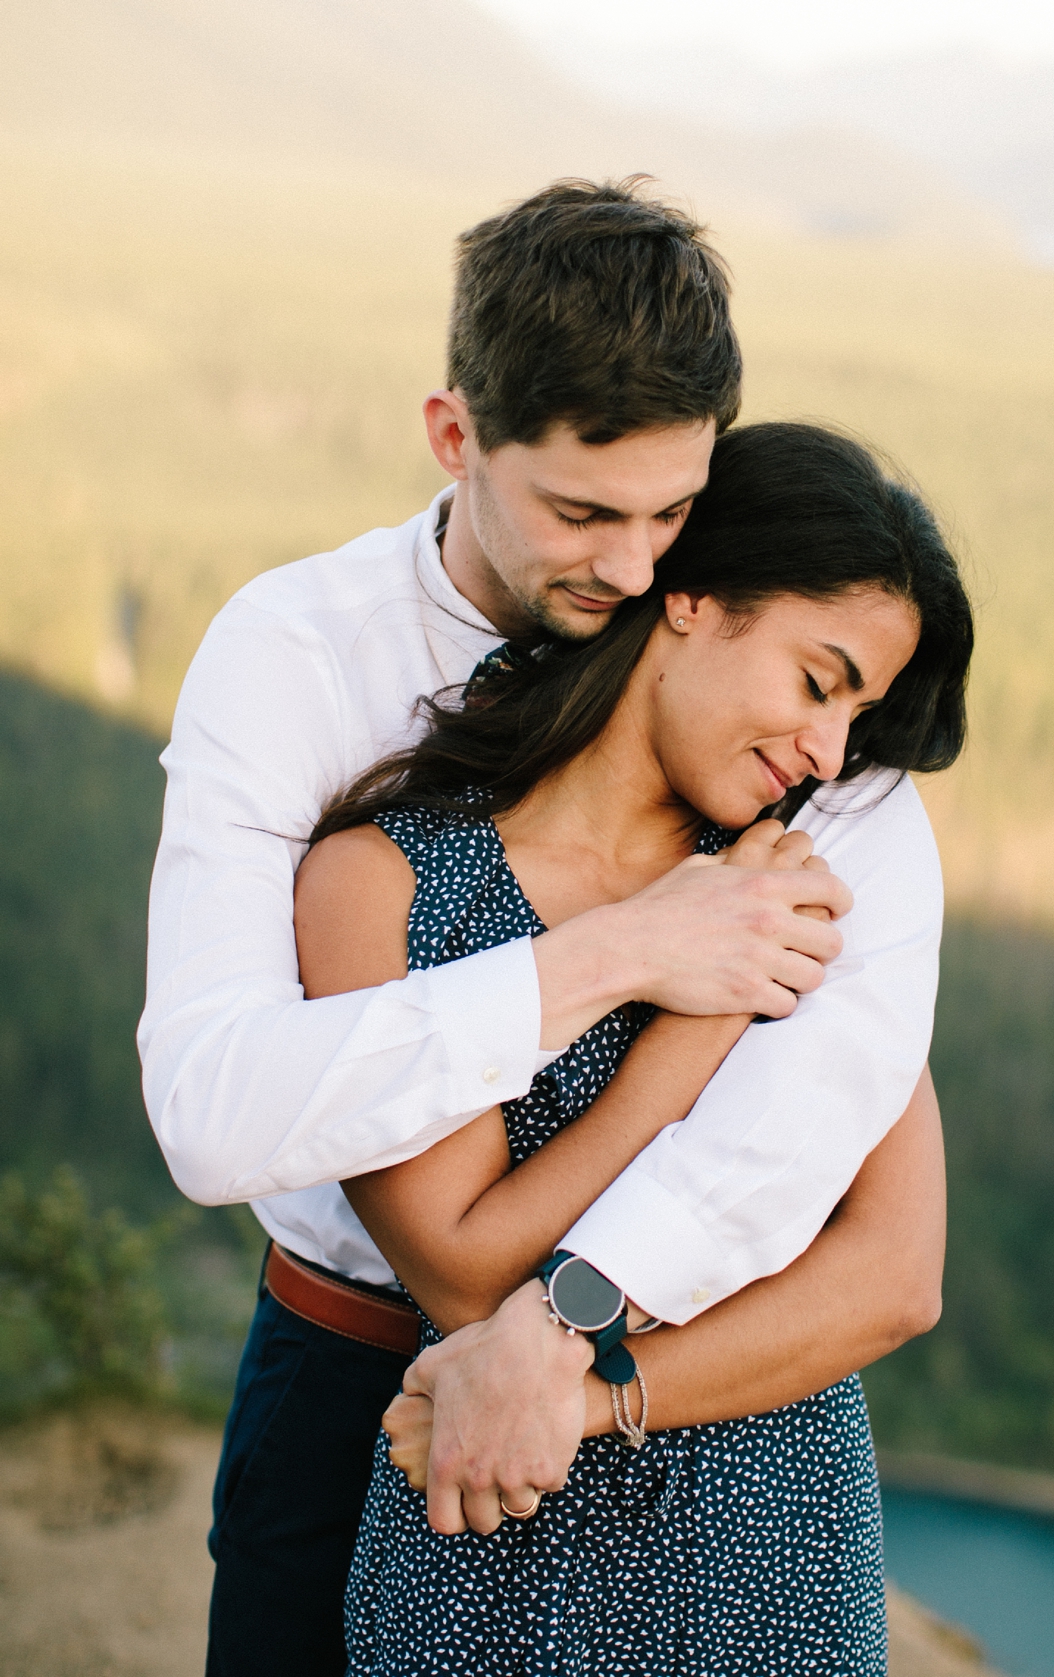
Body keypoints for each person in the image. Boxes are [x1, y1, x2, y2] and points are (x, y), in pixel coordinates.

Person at [140, 180, 947, 1672]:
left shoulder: (780, 720)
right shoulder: (298, 658)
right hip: (355, 1372)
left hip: (705, 1412)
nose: (638, 571)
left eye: (672, 515)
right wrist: (625, 956)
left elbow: (859, 1176)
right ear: (456, 439)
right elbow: (210, 1113)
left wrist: (568, 1352)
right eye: (583, 514)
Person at [292, 420, 969, 1669]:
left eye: (856, 717)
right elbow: (463, 1274)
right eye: (820, 683)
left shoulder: (800, 872)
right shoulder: (378, 885)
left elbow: (894, 1274)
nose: (829, 754)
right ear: (692, 599)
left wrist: (589, 1394)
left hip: (765, 1552)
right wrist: (694, 1022)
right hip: (481, 1551)